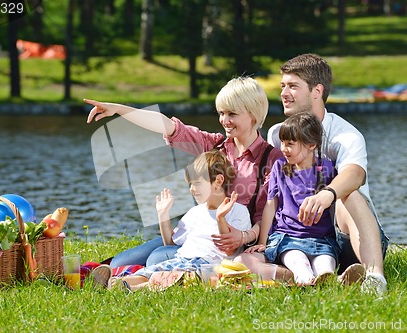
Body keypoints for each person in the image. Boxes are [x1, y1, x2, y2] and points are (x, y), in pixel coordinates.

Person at [84, 76, 284, 269]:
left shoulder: (271, 158)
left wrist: (244, 237)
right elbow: (168, 126)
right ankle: (113, 273)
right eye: (221, 113)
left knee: (156, 259)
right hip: (198, 235)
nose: (224, 120)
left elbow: (266, 215)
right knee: (120, 262)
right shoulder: (214, 146)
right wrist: (119, 109)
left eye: (232, 114)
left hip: (231, 245)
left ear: (253, 115)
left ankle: (144, 276)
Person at [266, 54, 389, 294]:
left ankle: (374, 278)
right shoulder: (278, 134)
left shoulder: (345, 134)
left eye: (293, 86)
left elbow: (355, 174)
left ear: (317, 91)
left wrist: (328, 194)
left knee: (348, 193)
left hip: (349, 237)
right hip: (298, 236)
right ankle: (325, 277)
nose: (283, 93)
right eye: (282, 86)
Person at [91, 150, 251, 290]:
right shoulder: (195, 212)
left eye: (196, 184)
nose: (191, 190)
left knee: (173, 278)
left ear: (218, 181)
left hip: (206, 264)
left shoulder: (237, 211)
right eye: (190, 185)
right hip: (182, 258)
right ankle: (115, 283)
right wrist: (163, 215)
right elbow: (170, 244)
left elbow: (230, 250)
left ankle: (134, 289)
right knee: (150, 272)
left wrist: (220, 218)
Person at [241, 112, 340, 286]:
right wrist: (263, 241)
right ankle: (305, 279)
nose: (283, 148)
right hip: (288, 238)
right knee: (297, 259)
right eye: (282, 143)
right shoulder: (280, 167)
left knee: (325, 262)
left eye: (290, 144)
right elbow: (270, 205)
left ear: (311, 145)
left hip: (321, 239)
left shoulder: (327, 168)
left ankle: (329, 277)